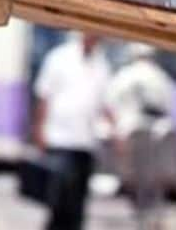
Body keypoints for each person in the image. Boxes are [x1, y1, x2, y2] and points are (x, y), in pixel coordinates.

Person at [32, 32, 112, 230]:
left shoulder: (102, 65)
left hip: (85, 143)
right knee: (59, 203)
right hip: (60, 140)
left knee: (77, 208)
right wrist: (39, 130)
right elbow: (44, 96)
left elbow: (104, 103)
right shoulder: (59, 58)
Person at [105, 43, 176, 229]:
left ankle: (142, 215)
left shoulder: (124, 76)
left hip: (130, 136)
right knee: (152, 187)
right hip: (155, 141)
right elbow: (171, 109)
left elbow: (109, 105)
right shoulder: (162, 78)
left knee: (136, 183)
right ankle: (151, 217)